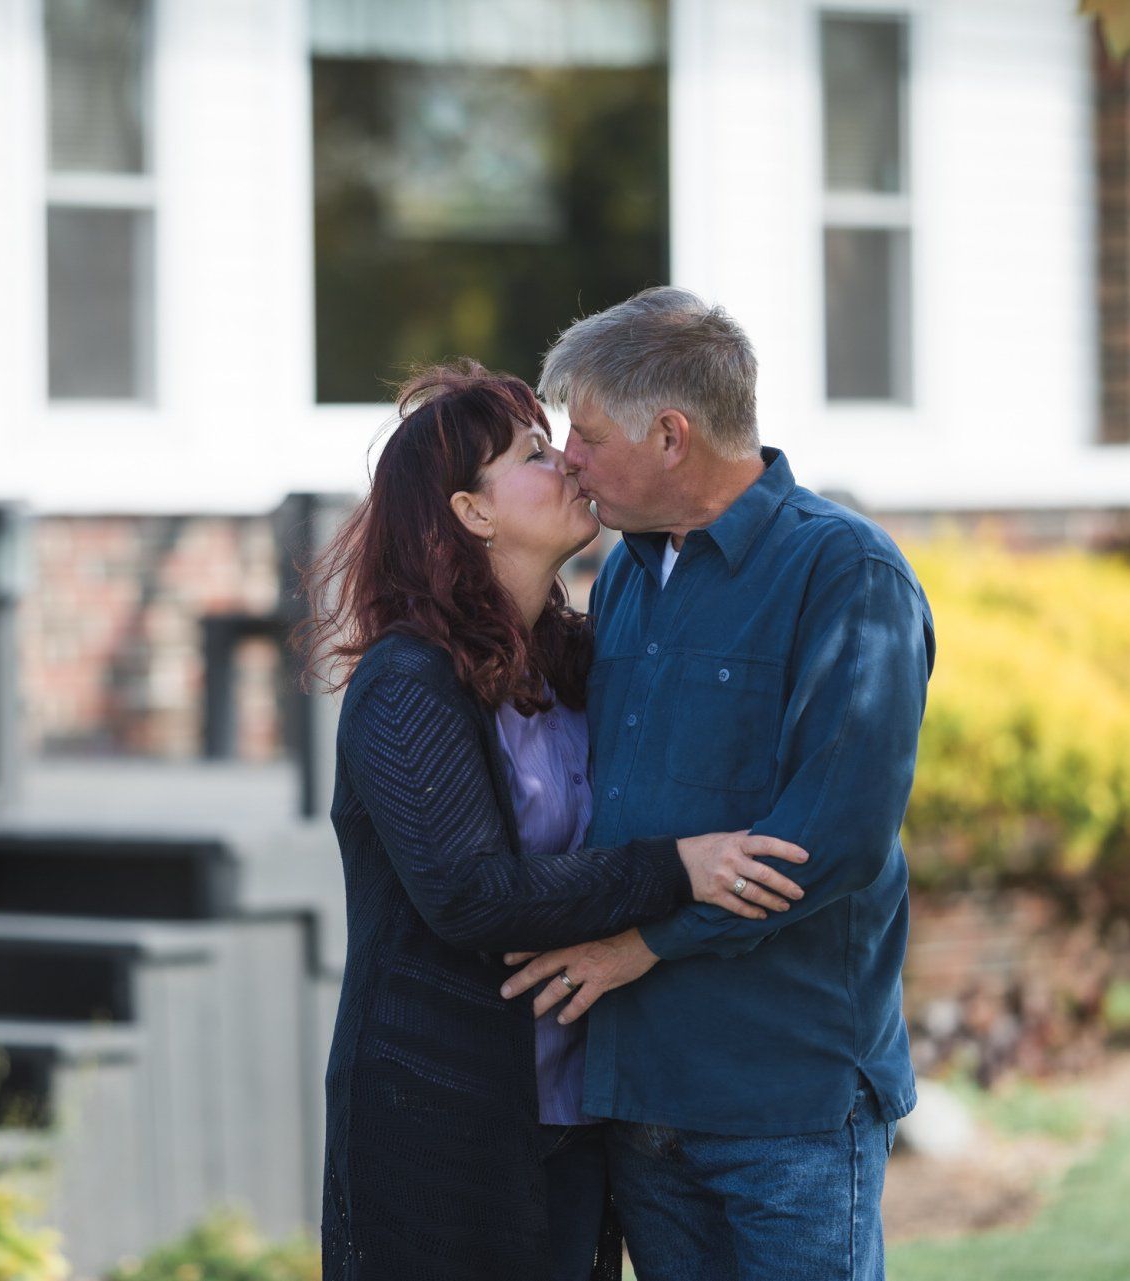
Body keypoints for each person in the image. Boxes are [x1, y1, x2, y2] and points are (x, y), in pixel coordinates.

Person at [303, 362, 812, 1281]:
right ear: (473, 512)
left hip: (580, 1111)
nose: (571, 465)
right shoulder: (405, 684)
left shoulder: (574, 661)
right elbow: (471, 893)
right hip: (443, 1119)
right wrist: (677, 869)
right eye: (536, 454)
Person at [500, 287, 936, 1281]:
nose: (567, 456)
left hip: (785, 1094)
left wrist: (641, 943)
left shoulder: (846, 574)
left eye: (588, 434)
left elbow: (831, 839)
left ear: (669, 435)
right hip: (642, 1093)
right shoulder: (621, 574)